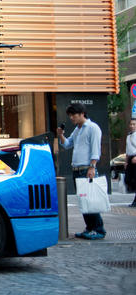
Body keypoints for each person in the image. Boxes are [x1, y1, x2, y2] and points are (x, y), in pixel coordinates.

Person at [57, 103, 106, 240]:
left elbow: (96, 149)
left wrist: (92, 166)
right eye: (70, 115)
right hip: (77, 169)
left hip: (86, 169)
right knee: (84, 201)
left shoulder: (92, 128)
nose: (71, 118)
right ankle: (89, 228)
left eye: (74, 115)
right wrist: (61, 135)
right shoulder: (77, 129)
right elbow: (67, 145)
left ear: (82, 113)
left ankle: (98, 229)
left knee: (90, 201)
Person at [125, 118, 136, 207]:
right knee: (128, 179)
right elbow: (127, 150)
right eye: (131, 124)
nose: (132, 126)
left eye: (134, 124)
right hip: (130, 159)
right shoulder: (128, 136)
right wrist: (126, 161)